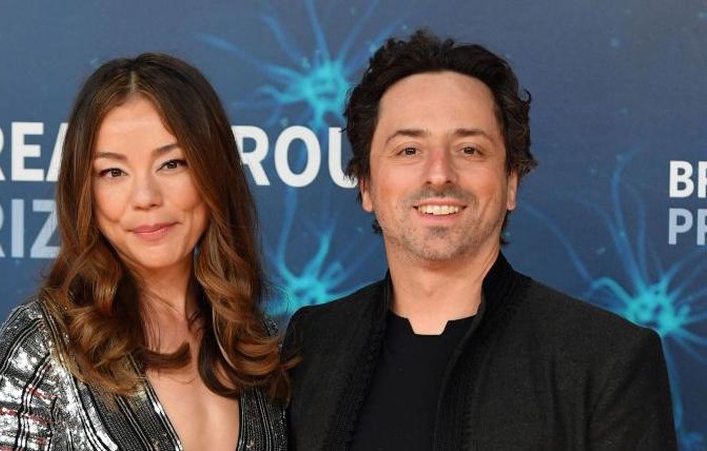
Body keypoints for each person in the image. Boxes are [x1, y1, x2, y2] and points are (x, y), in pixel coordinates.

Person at [283, 30, 676, 450]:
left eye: (469, 150)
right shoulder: (313, 342)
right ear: (365, 185)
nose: (439, 173)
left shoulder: (607, 360)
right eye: (409, 150)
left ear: (511, 182)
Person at [0, 53, 289, 451]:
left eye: (172, 164)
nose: (145, 198)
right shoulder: (43, 343)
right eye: (113, 172)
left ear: (213, 171)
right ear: (85, 191)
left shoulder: (256, 341)